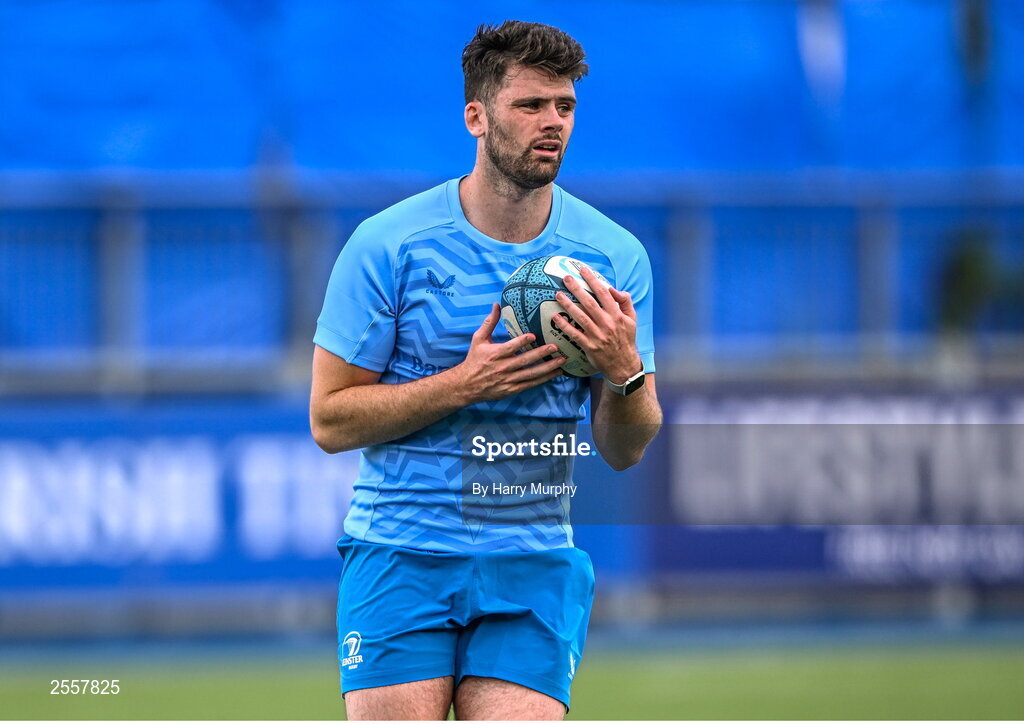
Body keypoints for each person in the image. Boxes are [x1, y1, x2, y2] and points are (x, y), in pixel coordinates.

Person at [310, 20, 662, 721]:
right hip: (401, 549)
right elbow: (329, 419)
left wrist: (625, 373)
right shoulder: (390, 244)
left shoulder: (612, 257)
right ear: (477, 116)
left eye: (564, 107)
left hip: (532, 557)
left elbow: (626, 449)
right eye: (530, 106)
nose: (552, 123)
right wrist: (463, 384)